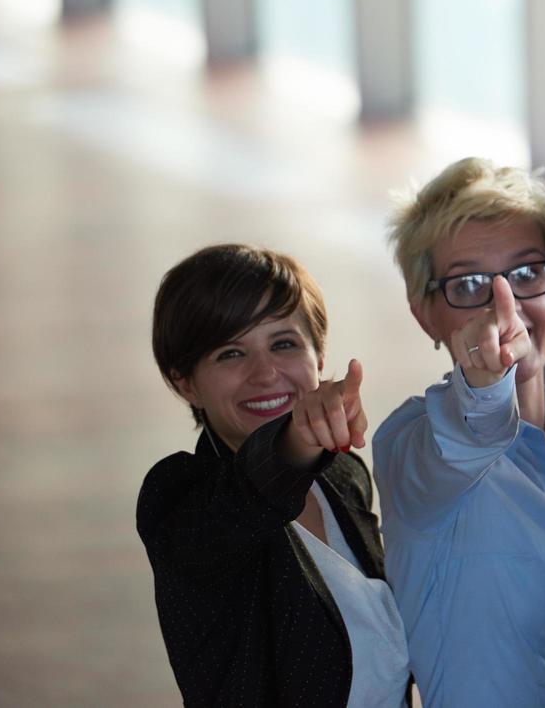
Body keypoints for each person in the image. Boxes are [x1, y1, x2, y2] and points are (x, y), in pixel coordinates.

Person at [373, 158, 545, 708]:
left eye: (527, 273)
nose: (507, 305)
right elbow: (466, 434)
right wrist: (482, 385)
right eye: (470, 284)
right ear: (425, 313)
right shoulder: (412, 443)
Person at [137, 244, 408, 707]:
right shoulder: (178, 496)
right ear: (185, 382)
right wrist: (297, 442)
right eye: (229, 353)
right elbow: (246, 499)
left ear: (319, 357)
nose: (265, 374)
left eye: (284, 343)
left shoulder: (342, 475)